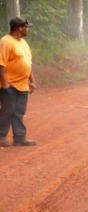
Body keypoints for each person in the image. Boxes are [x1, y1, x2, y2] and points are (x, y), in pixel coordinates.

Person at [0, 17, 37, 147]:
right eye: (26, 27)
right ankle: (1, 137)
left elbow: (28, 63)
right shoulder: (5, 42)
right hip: (9, 84)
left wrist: (32, 80)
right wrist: (5, 85)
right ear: (20, 28)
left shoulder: (23, 43)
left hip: (23, 85)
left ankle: (19, 137)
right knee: (7, 111)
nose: (28, 29)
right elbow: (1, 65)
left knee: (19, 112)